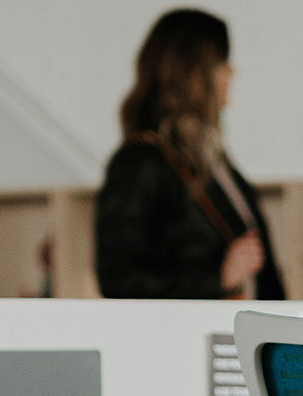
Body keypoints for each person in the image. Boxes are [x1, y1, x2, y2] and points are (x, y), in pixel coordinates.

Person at [95, 9, 282, 301]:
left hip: (244, 341)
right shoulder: (139, 163)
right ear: (192, 73)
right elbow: (119, 279)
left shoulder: (211, 160)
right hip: (188, 342)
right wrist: (217, 279)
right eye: (221, 62)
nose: (233, 72)